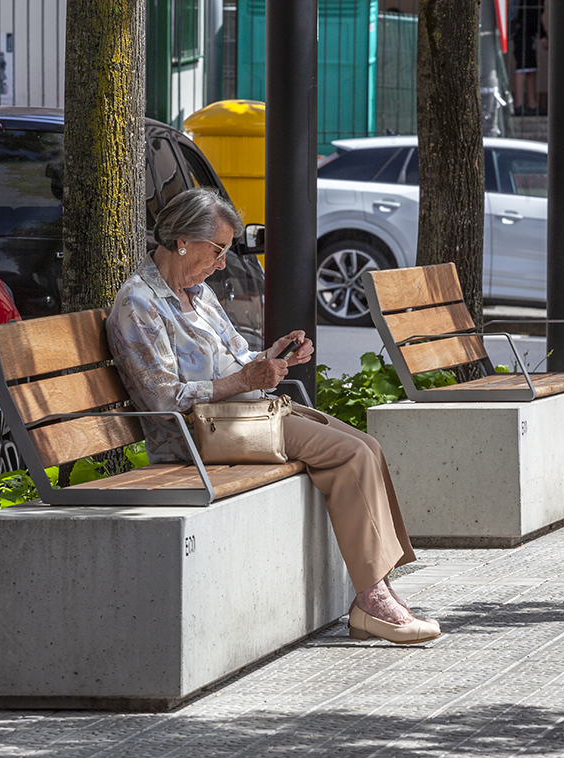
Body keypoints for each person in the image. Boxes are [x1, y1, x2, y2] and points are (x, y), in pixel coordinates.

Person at [107, 187, 441, 645]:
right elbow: (163, 399)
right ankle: (372, 599)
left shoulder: (197, 294)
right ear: (183, 240)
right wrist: (243, 381)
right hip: (198, 435)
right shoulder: (139, 303)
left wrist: (273, 356)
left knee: (367, 446)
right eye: (217, 249)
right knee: (351, 455)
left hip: (243, 418)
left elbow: (237, 359)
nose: (222, 263)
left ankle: (380, 586)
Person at [511, 0, 548, 117]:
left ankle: (532, 103)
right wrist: (542, 35)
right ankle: (519, 104)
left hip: (526, 32)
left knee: (530, 67)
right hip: (522, 32)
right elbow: (533, 14)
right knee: (522, 67)